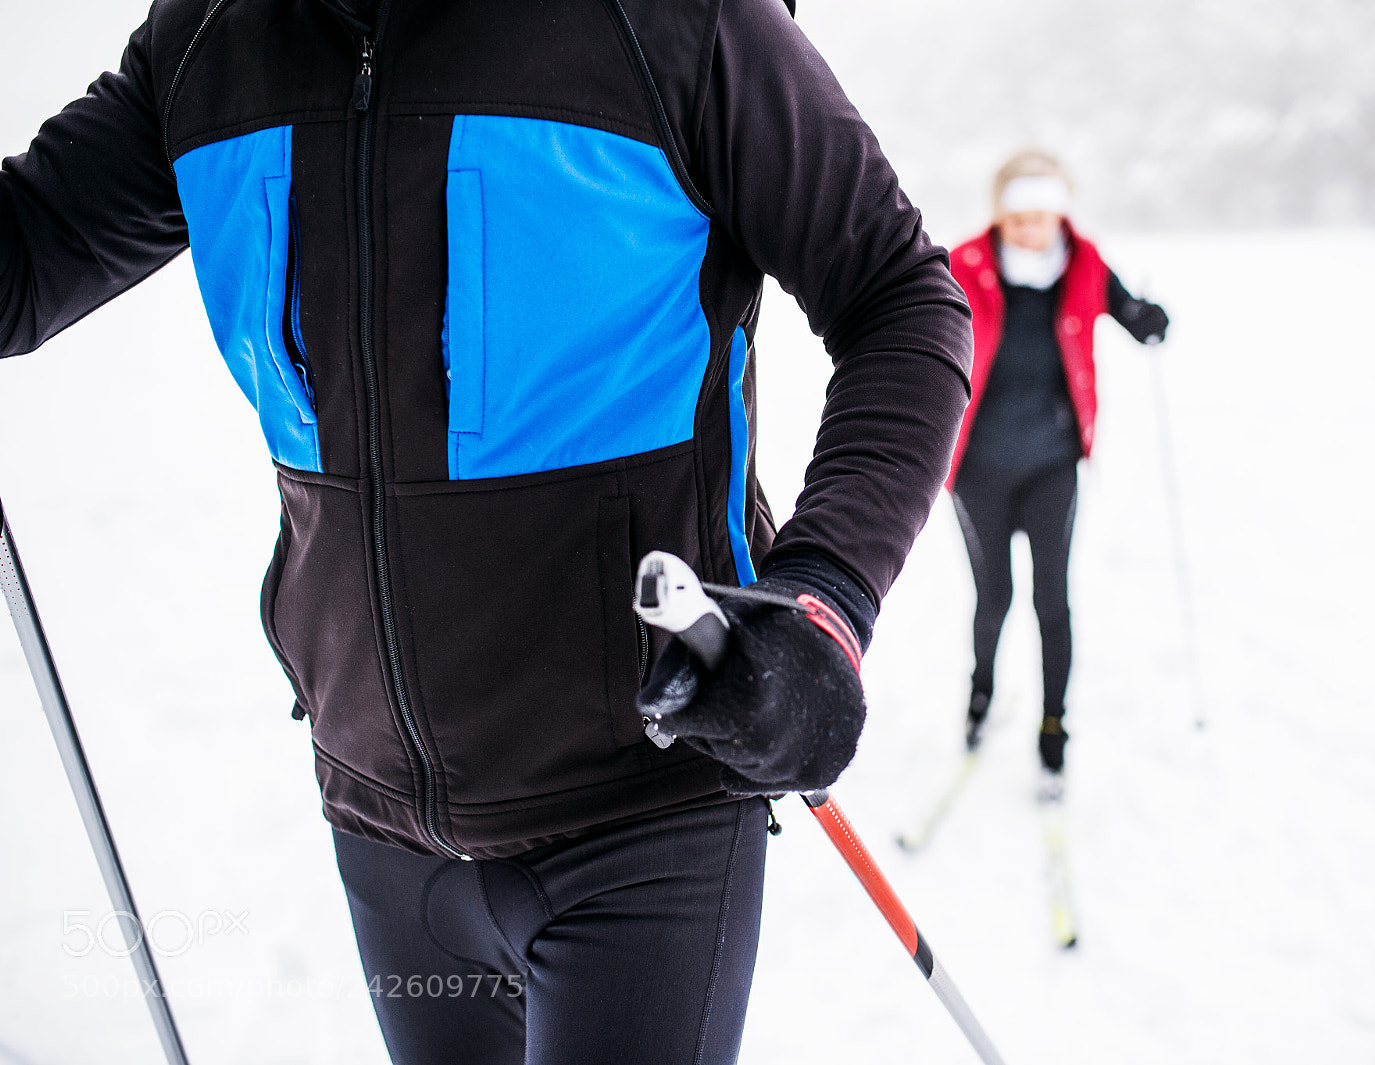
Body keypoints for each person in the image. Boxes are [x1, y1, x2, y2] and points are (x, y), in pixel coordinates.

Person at [0, 1, 972, 1062]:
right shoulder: (210, 40)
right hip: (378, 819)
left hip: (642, 809)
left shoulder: (676, 24)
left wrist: (824, 596)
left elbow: (901, 298)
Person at [945, 149, 1168, 790]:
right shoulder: (967, 264)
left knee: (1052, 600)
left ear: (1059, 215)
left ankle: (1053, 727)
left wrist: (1150, 321)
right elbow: (921, 321)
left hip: (1053, 464)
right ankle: (980, 699)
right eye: (1018, 217)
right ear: (1001, 214)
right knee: (993, 599)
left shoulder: (1087, 264)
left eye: (1042, 216)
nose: (1030, 229)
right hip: (977, 466)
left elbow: (1131, 317)